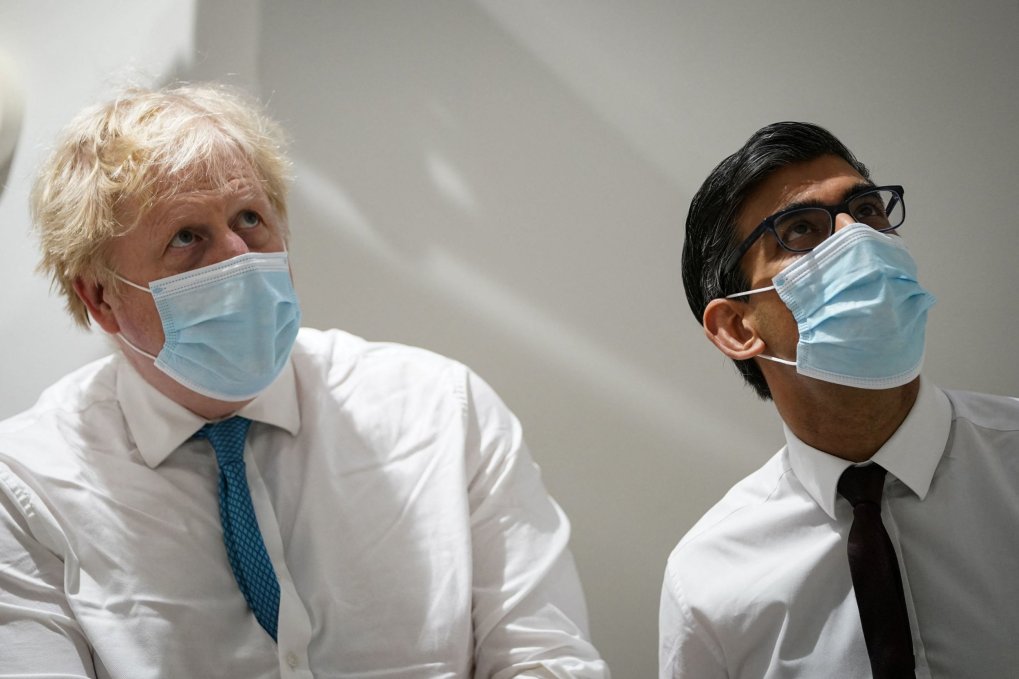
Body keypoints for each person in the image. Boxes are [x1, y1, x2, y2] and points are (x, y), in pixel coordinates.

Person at [0, 84, 609, 678]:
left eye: (250, 218)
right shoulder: (29, 488)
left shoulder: (443, 412)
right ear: (100, 297)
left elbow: (548, 659)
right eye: (187, 237)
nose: (239, 256)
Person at [660, 121, 1019, 678]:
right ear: (736, 326)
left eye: (868, 210)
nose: (859, 239)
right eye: (801, 228)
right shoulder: (708, 579)